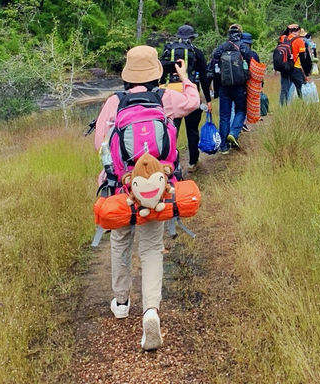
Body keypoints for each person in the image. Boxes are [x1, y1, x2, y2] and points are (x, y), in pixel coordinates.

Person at [94, 45, 200, 351]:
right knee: (152, 247)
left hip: (121, 189)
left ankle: (122, 301)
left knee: (120, 241)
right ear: (157, 72)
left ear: (127, 74)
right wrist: (185, 76)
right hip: (157, 191)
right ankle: (151, 310)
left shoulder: (114, 102)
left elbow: (101, 145)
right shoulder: (164, 97)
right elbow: (193, 102)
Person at [160, 24, 212, 170]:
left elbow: (160, 73)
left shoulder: (168, 50)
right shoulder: (197, 52)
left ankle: (169, 164)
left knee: (171, 130)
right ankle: (193, 162)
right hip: (190, 94)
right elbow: (204, 77)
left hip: (171, 95)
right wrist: (208, 100)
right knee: (192, 130)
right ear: (191, 38)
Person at [209, 24, 253, 153]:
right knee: (240, 110)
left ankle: (223, 146)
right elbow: (252, 63)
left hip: (224, 87)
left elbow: (214, 69)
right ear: (240, 33)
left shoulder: (220, 48)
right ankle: (233, 133)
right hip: (240, 86)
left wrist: (215, 89)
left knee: (224, 115)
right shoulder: (244, 48)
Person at [278, 24, 312, 105]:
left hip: (285, 68)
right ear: (299, 31)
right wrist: (306, 73)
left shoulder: (284, 38)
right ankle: (303, 106)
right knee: (300, 88)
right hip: (295, 68)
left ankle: (282, 107)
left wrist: (287, 28)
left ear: (290, 31)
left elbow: (282, 35)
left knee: (284, 89)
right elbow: (303, 59)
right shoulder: (299, 41)